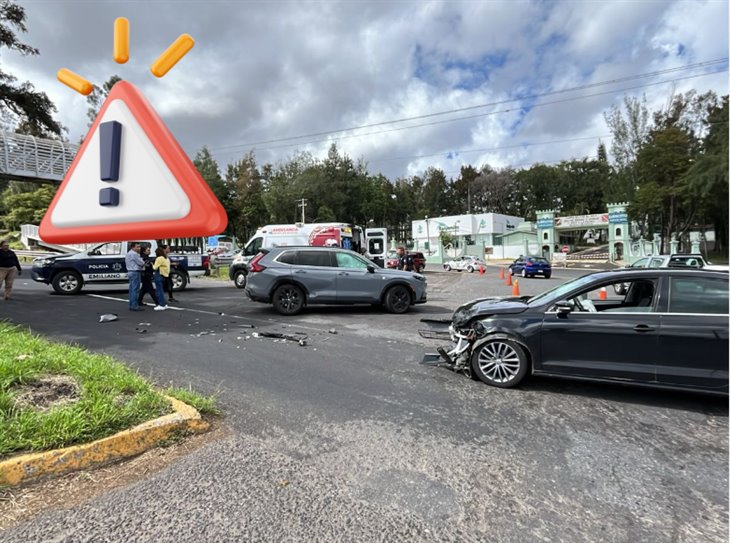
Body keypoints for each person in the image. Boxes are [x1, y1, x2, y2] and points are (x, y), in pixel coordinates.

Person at [137, 245, 162, 310]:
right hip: (146, 275)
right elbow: (145, 266)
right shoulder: (143, 258)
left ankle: (139, 301)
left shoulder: (146, 257)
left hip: (146, 275)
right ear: (144, 251)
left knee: (144, 289)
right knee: (151, 289)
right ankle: (157, 302)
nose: (149, 251)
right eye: (148, 250)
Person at [125, 242, 145, 311]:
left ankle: (131, 304)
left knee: (131, 289)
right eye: (137, 247)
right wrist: (143, 263)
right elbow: (141, 262)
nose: (139, 248)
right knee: (135, 290)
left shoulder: (128, 253)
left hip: (130, 271)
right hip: (135, 272)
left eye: (139, 246)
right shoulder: (134, 254)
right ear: (133, 247)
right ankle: (134, 306)